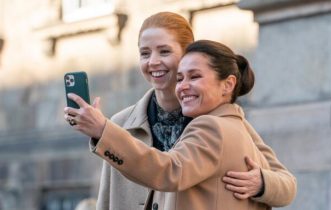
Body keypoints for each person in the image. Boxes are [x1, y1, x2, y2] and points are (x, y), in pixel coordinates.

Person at [64, 12, 296, 209]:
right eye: (145, 53)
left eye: (164, 51)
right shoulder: (121, 122)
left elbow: (286, 184)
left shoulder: (218, 120)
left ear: (187, 54)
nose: (153, 62)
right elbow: (106, 200)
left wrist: (262, 182)